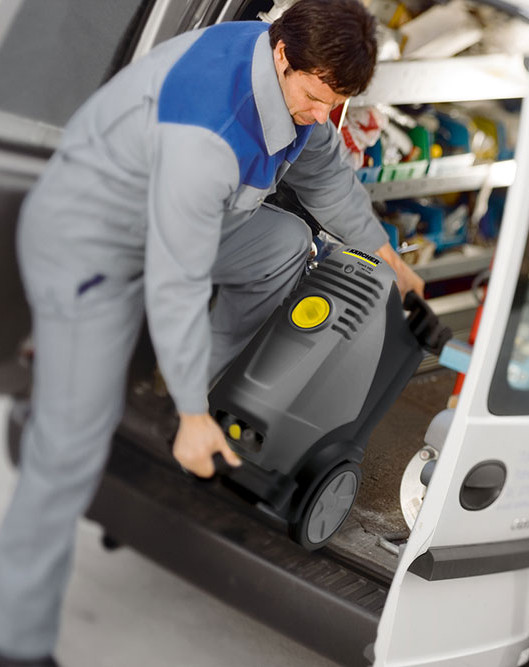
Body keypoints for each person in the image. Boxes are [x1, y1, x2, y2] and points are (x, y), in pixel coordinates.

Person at [0, 0, 424, 664]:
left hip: (171, 220)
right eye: (316, 97)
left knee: (284, 241)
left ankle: (191, 395)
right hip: (92, 244)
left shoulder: (291, 79)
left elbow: (325, 175)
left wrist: (389, 259)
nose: (323, 114)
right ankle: (17, 639)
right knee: (71, 441)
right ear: (282, 56)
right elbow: (177, 278)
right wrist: (195, 415)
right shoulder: (209, 133)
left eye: (336, 102)